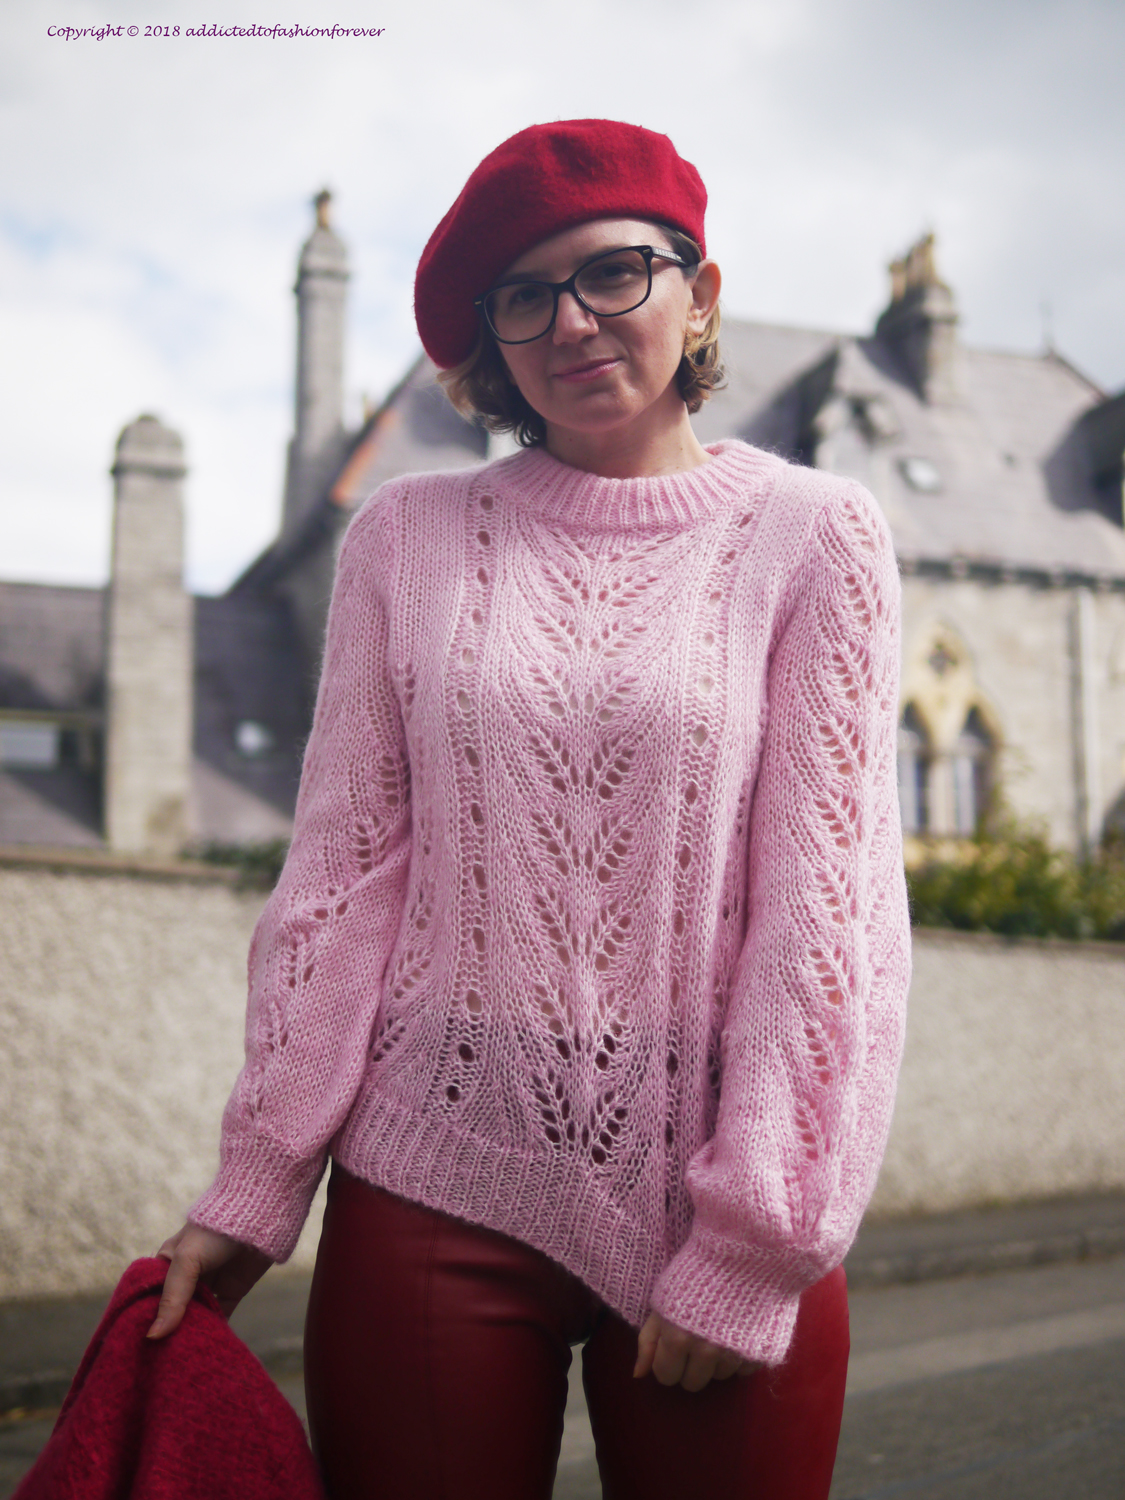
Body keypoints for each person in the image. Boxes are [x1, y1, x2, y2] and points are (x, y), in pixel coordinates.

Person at [150, 119, 911, 1500]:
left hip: (712, 1189)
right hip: (431, 1180)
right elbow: (343, 877)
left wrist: (755, 1243)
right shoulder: (405, 538)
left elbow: (829, 914)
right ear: (491, 343)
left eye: (613, 272)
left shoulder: (817, 537)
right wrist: (257, 1183)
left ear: (700, 294)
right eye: (523, 294)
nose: (570, 320)